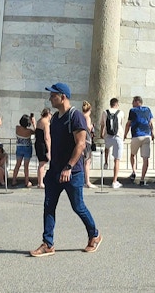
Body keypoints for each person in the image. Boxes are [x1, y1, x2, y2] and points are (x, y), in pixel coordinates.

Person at [30, 82, 101, 257]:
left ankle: (95, 234)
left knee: (78, 206)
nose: (50, 98)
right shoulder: (54, 118)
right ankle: (48, 243)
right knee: (49, 206)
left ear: (63, 97)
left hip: (72, 172)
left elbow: (81, 144)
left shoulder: (75, 116)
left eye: (53, 95)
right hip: (54, 171)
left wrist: (69, 167)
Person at [124, 96, 154, 186]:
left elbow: (128, 124)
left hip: (137, 135)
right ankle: (142, 179)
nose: (132, 103)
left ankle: (133, 171)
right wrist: (153, 133)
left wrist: (125, 135)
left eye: (133, 101)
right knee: (145, 159)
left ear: (137, 102)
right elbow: (151, 122)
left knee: (133, 155)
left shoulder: (132, 110)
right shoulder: (148, 109)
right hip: (147, 135)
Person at [99, 98, 125, 189]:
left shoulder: (105, 112)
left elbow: (102, 124)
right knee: (117, 160)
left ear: (110, 104)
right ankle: (114, 181)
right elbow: (121, 124)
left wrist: (101, 133)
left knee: (107, 147)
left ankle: (106, 162)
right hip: (118, 136)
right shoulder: (121, 112)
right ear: (117, 104)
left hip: (108, 135)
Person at [12, 113, 36, 187]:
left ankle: (13, 180)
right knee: (26, 166)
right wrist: (33, 122)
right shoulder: (29, 131)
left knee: (17, 164)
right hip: (27, 148)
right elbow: (36, 131)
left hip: (19, 147)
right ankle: (26, 181)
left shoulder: (17, 128)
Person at [82, 101, 97, 189]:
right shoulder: (87, 117)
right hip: (87, 140)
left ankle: (85, 180)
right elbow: (87, 127)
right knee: (87, 161)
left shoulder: (81, 116)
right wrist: (91, 126)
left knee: (84, 161)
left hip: (83, 140)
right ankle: (87, 181)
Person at [35, 108, 52, 189]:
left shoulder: (39, 121)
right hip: (43, 144)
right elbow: (47, 137)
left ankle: (40, 181)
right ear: (48, 114)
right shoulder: (46, 123)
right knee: (42, 163)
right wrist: (49, 150)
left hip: (38, 143)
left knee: (41, 163)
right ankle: (40, 182)